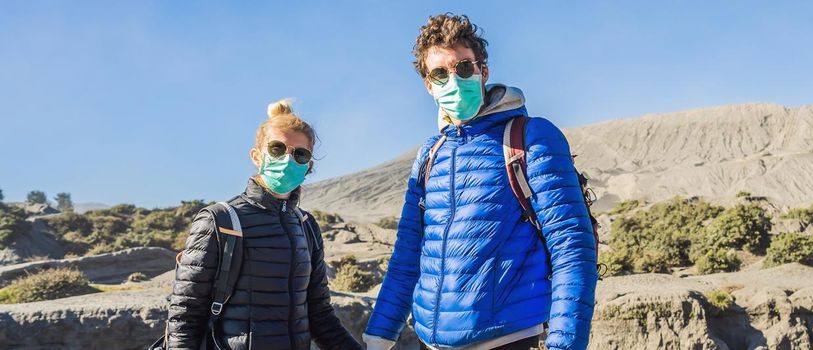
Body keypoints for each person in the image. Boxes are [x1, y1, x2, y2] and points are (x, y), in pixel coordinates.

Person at [363, 13, 598, 350]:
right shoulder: (431, 154)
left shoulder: (530, 137)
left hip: (508, 340)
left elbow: (572, 249)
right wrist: (379, 335)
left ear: (482, 71)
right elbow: (407, 256)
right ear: (428, 85)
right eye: (440, 74)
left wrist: (565, 344)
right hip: (430, 342)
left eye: (463, 68)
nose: (453, 80)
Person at [164, 100, 363, 350]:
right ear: (257, 156)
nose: (288, 160)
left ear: (309, 166)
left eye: (299, 154)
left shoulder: (307, 226)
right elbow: (185, 317)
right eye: (277, 149)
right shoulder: (219, 221)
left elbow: (320, 316)